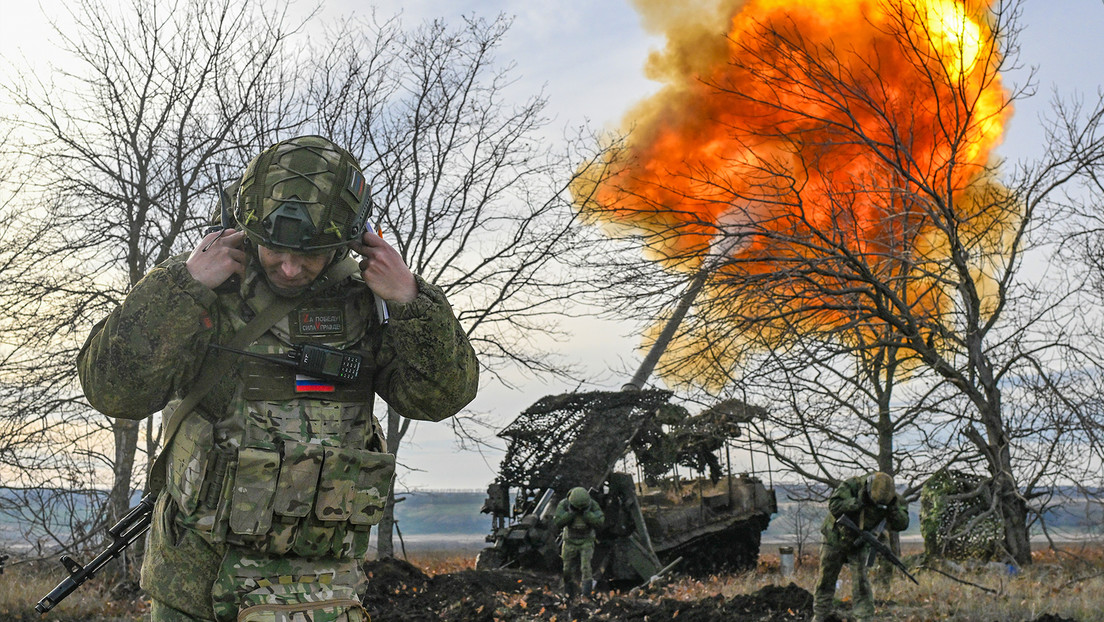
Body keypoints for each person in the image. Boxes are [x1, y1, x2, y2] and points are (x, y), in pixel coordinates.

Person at [77, 135, 479, 621]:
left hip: (321, 593)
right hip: (197, 588)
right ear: (247, 227)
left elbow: (439, 398)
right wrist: (182, 287)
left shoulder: (370, 300)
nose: (289, 268)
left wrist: (411, 300)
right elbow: (113, 391)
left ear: (348, 241)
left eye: (310, 254)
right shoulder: (201, 285)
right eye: (275, 248)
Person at [813, 471, 909, 622]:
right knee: (826, 579)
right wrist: (856, 503)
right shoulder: (852, 485)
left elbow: (902, 524)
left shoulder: (893, 500)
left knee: (861, 583)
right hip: (834, 537)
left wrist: (893, 511)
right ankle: (821, 615)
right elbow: (834, 505)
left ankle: (864, 617)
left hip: (860, 543)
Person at [552, 487, 604, 599]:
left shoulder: (592, 505)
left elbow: (600, 522)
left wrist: (587, 514)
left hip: (586, 541)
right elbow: (558, 522)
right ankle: (568, 593)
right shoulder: (564, 504)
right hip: (570, 540)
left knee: (586, 568)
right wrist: (570, 514)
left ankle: (586, 594)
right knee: (567, 568)